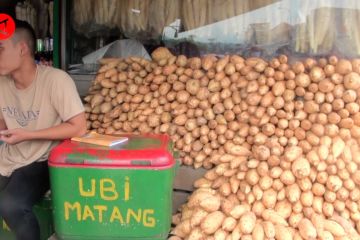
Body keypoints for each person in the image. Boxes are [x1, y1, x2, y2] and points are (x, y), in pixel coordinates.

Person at [0, 19, 86, 240]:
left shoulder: (56, 80)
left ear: (22, 49)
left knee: (11, 205)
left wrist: (28, 135)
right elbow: (2, 123)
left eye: (0, 49)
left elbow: (79, 127)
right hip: (9, 157)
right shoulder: (1, 83)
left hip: (42, 160)